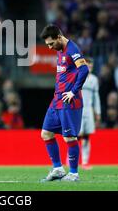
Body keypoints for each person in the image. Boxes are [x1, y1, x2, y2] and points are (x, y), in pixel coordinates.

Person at [39, 24, 89, 182]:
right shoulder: (60, 50)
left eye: (51, 44)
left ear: (59, 37)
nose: (49, 48)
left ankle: (73, 174)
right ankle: (58, 169)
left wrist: (73, 92)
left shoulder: (72, 50)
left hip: (69, 101)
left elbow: (84, 69)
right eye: (47, 45)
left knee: (69, 138)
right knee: (46, 133)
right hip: (57, 100)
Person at [78, 57, 101, 170]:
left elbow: (96, 97)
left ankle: (85, 161)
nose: (90, 68)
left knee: (87, 136)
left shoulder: (94, 80)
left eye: (91, 66)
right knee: (77, 136)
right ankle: (72, 159)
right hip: (78, 109)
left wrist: (98, 111)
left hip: (88, 110)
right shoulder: (77, 76)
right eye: (88, 66)